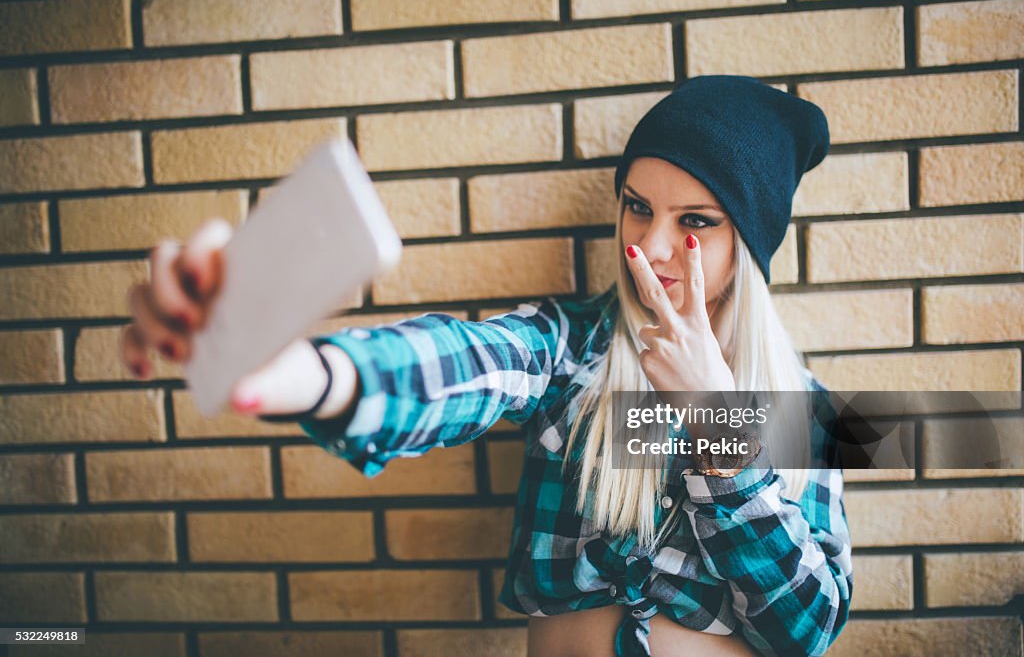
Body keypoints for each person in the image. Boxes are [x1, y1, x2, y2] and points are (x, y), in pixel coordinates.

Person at [121, 75, 854, 656]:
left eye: (695, 221)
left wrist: (718, 429)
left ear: (747, 247)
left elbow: (809, 627)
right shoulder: (568, 348)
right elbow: (466, 364)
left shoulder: (801, 409)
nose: (651, 246)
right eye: (638, 207)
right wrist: (308, 375)